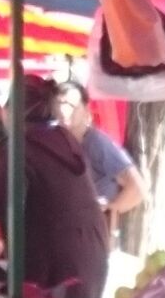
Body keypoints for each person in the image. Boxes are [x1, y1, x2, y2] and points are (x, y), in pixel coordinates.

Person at [0, 75, 110, 298]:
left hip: (56, 265)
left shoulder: (16, 146)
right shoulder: (64, 138)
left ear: (10, 111)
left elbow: (0, 205)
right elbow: (34, 191)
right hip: (91, 254)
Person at [56, 82, 145, 228]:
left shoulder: (97, 142)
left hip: (91, 233)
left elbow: (137, 188)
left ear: (85, 110)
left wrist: (108, 211)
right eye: (60, 105)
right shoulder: (61, 143)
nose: (64, 111)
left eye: (72, 105)